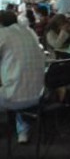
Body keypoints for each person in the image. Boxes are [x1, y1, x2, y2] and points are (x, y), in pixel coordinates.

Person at [0, 10, 45, 143]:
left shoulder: (2, 33)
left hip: (13, 99)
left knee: (13, 85)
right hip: (39, 97)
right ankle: (23, 132)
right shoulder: (29, 32)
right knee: (19, 80)